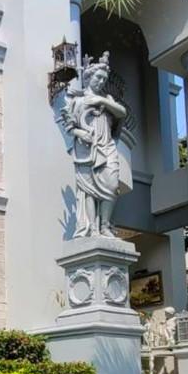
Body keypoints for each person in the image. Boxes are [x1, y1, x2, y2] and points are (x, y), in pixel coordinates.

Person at [63, 51, 127, 237]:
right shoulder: (78, 101)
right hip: (86, 148)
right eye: (98, 77)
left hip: (107, 146)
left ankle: (105, 225)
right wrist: (81, 133)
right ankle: (93, 228)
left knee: (112, 185)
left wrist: (101, 100)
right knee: (89, 188)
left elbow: (122, 113)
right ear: (89, 77)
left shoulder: (107, 100)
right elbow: (69, 127)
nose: (101, 82)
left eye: (104, 79)